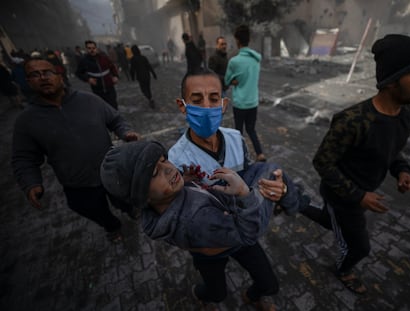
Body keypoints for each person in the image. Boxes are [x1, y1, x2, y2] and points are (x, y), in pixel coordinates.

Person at [100, 140, 279, 311]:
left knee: (265, 283)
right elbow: (248, 234)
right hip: (228, 244)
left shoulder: (164, 199)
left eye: (164, 160)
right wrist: (244, 194)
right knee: (218, 293)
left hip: (224, 236)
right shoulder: (194, 220)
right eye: (155, 172)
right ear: (141, 197)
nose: (169, 169)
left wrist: (186, 180)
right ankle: (200, 295)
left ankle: (252, 296)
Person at [308, 34, 410, 294]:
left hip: (359, 196)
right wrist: (359, 196)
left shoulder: (406, 116)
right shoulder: (352, 120)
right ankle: (343, 270)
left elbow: (390, 151)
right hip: (342, 197)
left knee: (328, 220)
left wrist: (402, 170)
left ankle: (294, 202)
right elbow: (322, 162)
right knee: (359, 247)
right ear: (392, 82)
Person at [11, 58, 141, 243]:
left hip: (111, 170)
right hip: (76, 183)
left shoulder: (89, 100)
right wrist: (31, 183)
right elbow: (24, 158)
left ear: (60, 76)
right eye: (34, 74)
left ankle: (129, 209)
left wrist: (125, 132)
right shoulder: (27, 120)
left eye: (47, 72)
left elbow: (116, 119)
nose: (42, 78)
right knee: (91, 209)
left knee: (124, 197)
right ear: (29, 82)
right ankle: (112, 226)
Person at [168, 70, 308, 214]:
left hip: (246, 209)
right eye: (197, 100)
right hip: (219, 223)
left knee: (271, 170)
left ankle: (293, 202)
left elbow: (250, 174)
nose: (206, 107)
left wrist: (277, 189)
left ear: (223, 104)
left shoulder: (235, 138)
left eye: (214, 99)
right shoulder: (176, 160)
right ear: (182, 106)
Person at [224, 25, 266, 162]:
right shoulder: (256, 60)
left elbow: (227, 80)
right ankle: (259, 153)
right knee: (251, 129)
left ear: (237, 41)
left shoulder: (234, 61)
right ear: (249, 40)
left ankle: (239, 157)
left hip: (240, 102)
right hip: (253, 101)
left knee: (238, 132)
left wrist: (234, 81)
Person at [76, 40, 120, 109]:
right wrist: (88, 79)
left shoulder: (104, 57)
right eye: (89, 48)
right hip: (97, 90)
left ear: (96, 48)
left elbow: (112, 67)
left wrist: (115, 76)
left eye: (93, 48)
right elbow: (78, 73)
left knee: (114, 107)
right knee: (103, 109)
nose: (92, 50)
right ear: (86, 49)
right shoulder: (84, 61)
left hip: (110, 88)